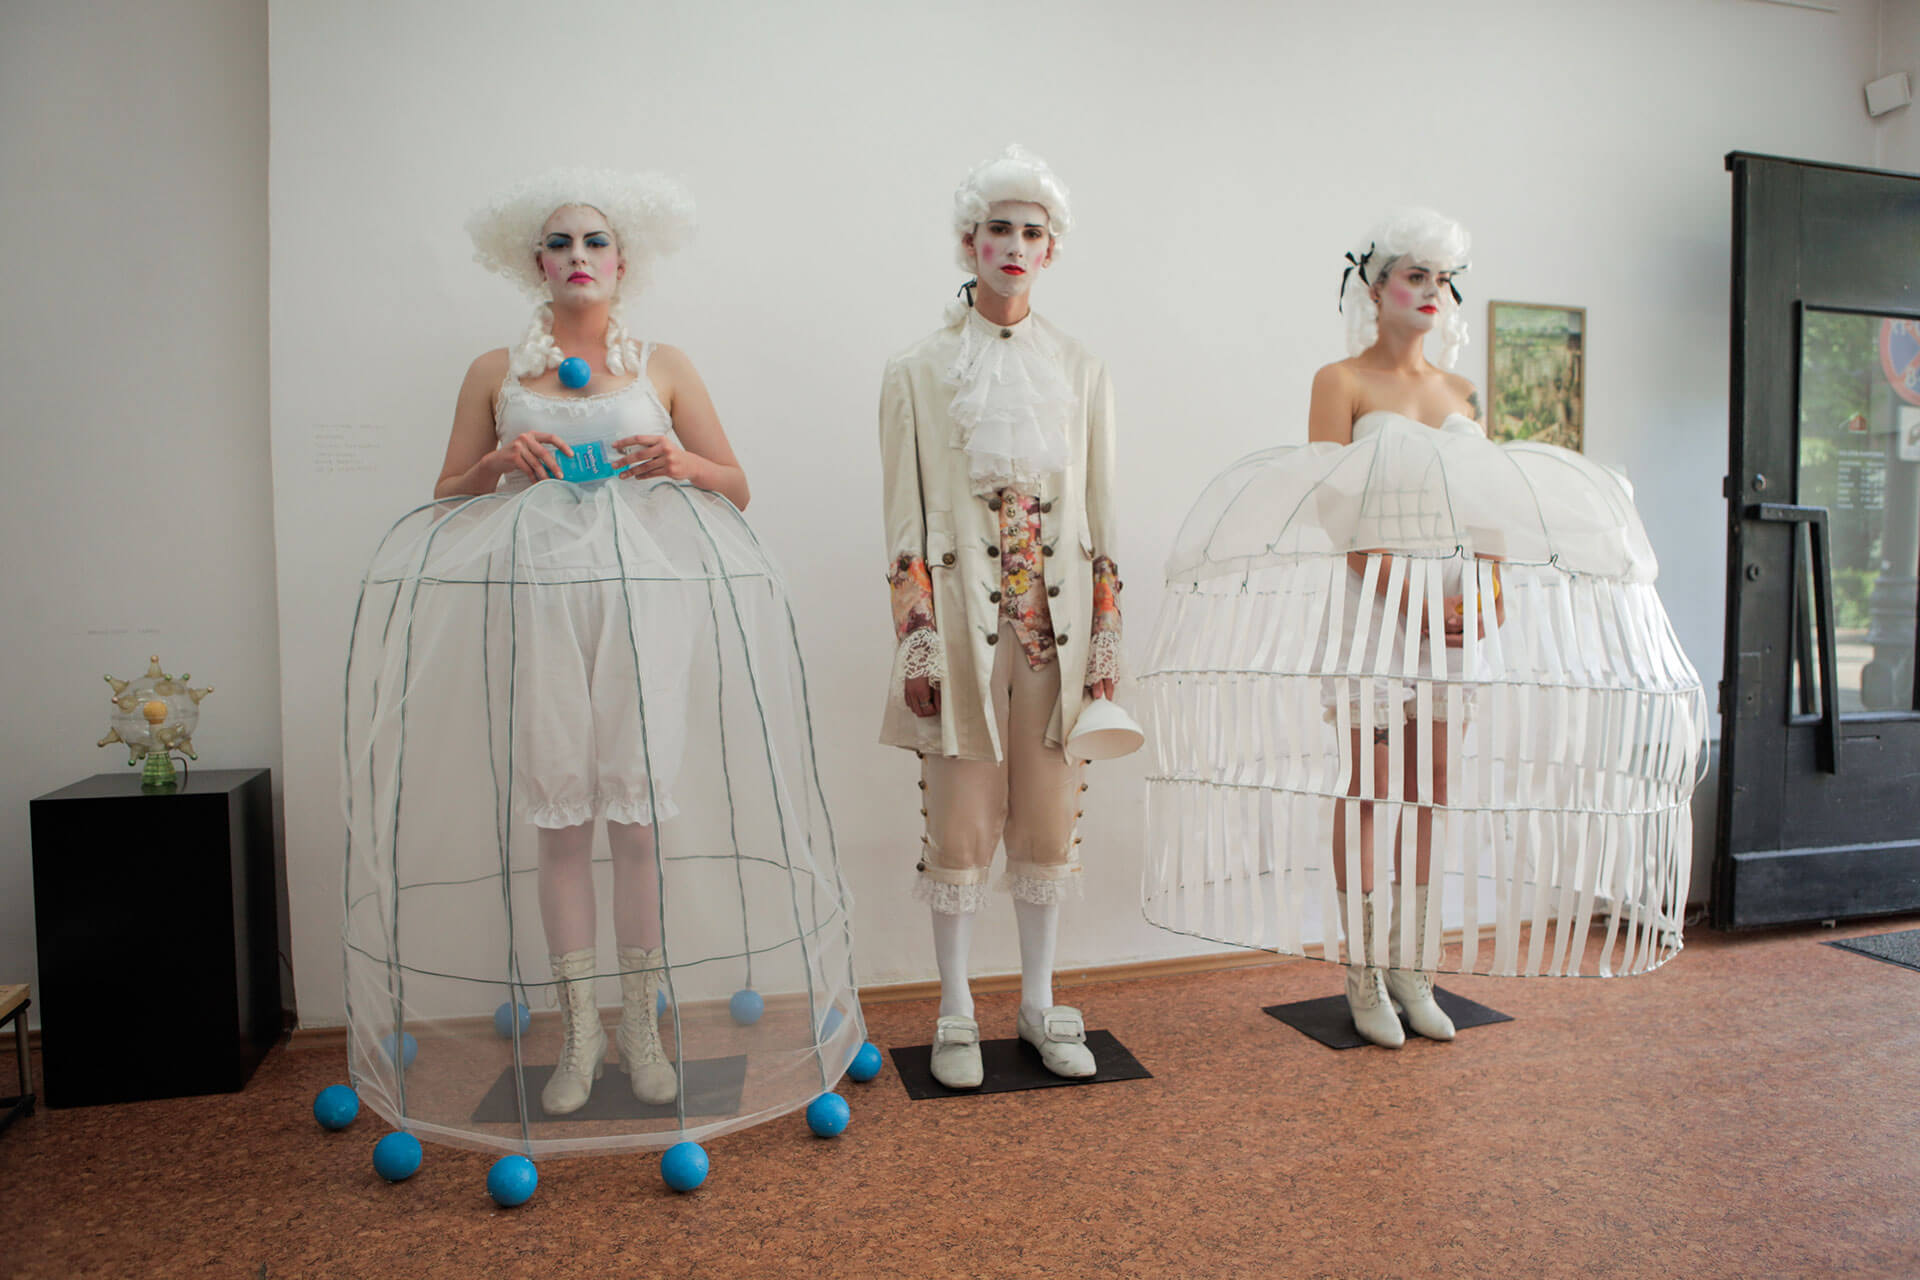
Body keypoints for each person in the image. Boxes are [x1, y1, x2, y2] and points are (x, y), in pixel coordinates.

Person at [343, 171, 862, 1157]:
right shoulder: (496, 370)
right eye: (559, 241)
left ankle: (640, 1026)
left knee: (637, 816)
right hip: (542, 601)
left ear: (625, 260)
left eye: (595, 241)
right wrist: (499, 464)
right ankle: (578, 1029)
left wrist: (681, 464)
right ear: (532, 261)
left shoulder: (661, 366)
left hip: (645, 606)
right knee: (559, 814)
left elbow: (736, 484)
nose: (577, 255)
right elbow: (448, 491)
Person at [1137, 208, 1704, 1044]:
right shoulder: (1341, 381)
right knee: (1370, 785)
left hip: (1452, 604)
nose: (1431, 292)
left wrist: (1491, 592)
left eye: (1441, 279)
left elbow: (1488, 502)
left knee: (1432, 787)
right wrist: (1410, 601)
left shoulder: (1461, 392)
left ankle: (1415, 966)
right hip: (1374, 601)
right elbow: (1332, 511)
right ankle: (1363, 969)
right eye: (1414, 276)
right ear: (1376, 290)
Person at [876, 144, 1122, 1088]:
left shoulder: (1083, 368)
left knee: (1049, 826)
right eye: (999, 229)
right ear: (969, 242)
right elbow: (903, 521)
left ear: (1050, 250)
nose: (1015, 246)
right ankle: (955, 1008)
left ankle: (1039, 1000)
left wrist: (1107, 633)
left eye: (1032, 232)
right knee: (960, 825)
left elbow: (1101, 510)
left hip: (1056, 636)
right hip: (960, 633)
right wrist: (917, 640)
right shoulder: (916, 370)